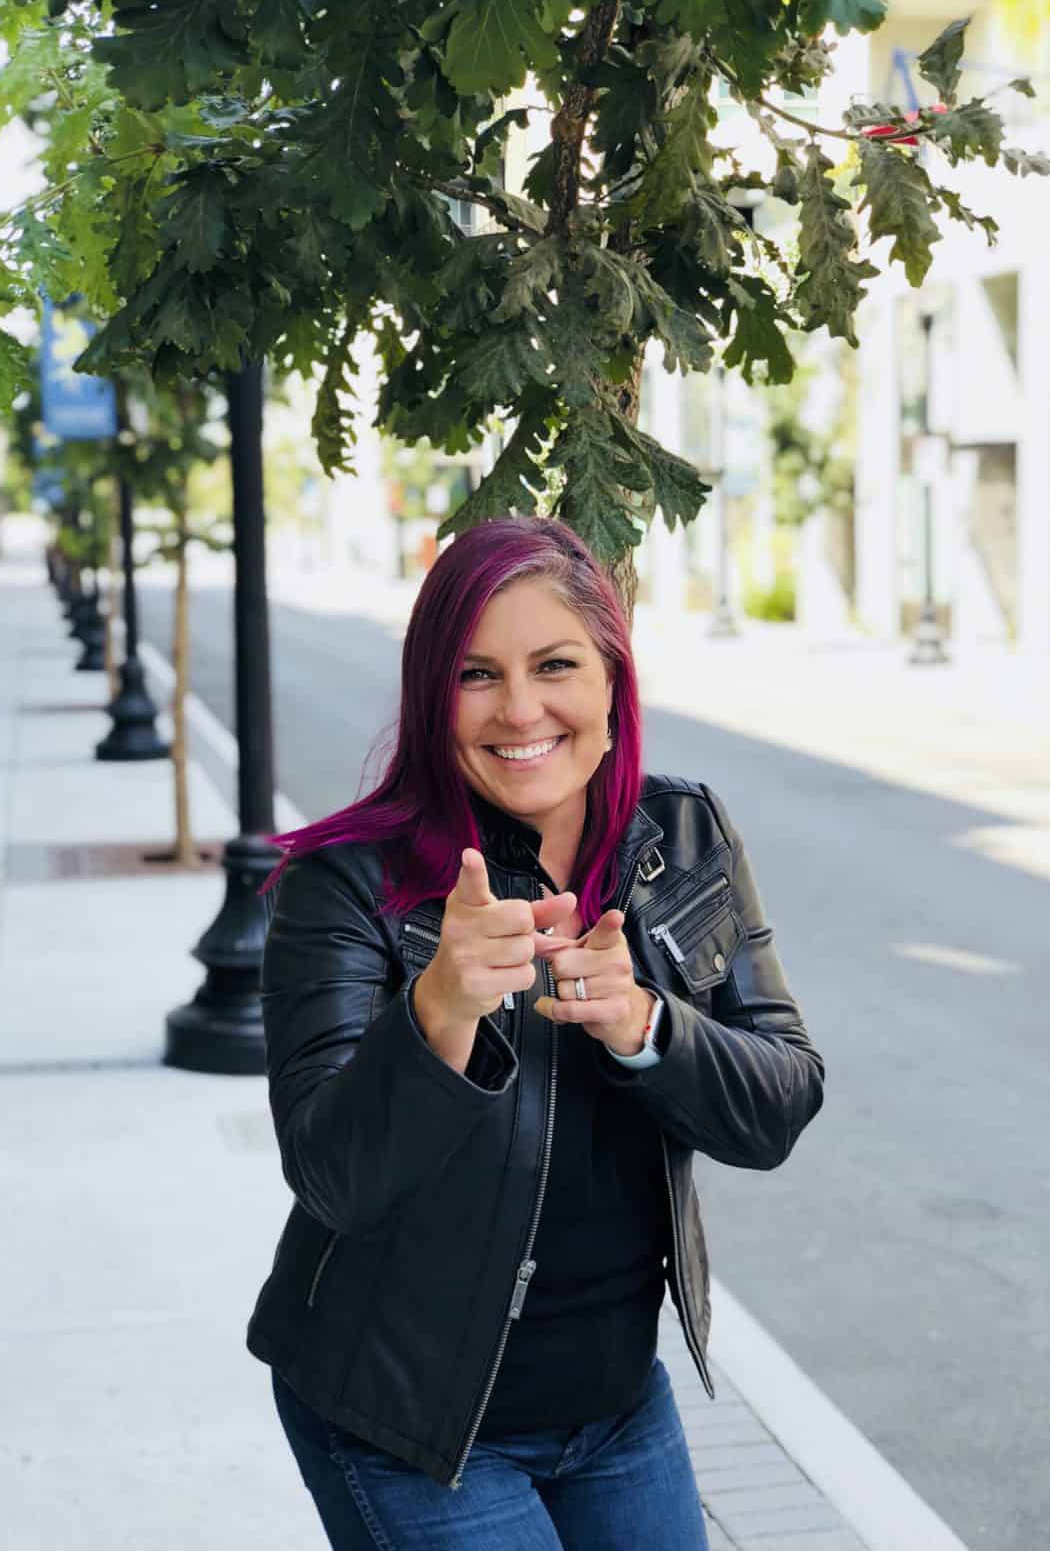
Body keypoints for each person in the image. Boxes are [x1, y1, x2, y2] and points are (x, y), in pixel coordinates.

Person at [248, 517, 825, 1550]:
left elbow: (780, 1099)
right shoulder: (346, 887)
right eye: (476, 675)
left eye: (554, 665)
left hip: (616, 1404)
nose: (520, 710)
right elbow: (331, 1176)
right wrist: (440, 1009)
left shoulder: (686, 835)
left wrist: (648, 1023)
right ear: (435, 697)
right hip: (407, 1417)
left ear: (612, 679)